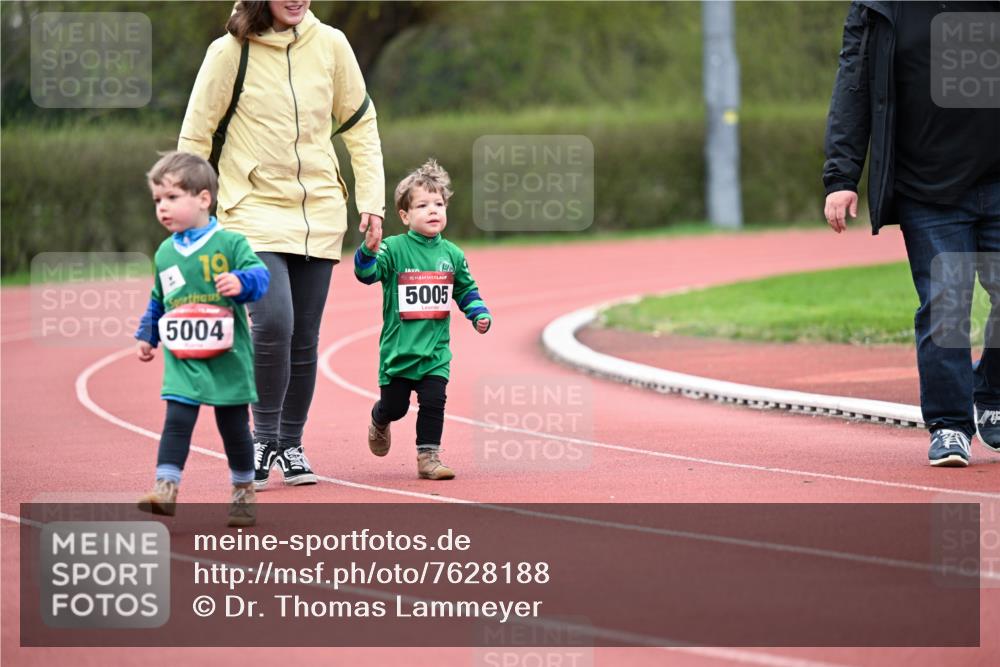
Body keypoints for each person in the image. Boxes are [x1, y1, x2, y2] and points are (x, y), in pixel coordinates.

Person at [177, 0, 386, 489]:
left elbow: (360, 125)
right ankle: (262, 436)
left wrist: (370, 200)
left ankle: (291, 444)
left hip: (319, 211)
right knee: (274, 320)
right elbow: (196, 134)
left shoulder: (332, 44)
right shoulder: (230, 51)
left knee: (305, 337)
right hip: (250, 209)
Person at [823, 1, 1000, 466]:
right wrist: (841, 177)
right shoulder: (880, 8)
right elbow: (854, 88)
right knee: (947, 302)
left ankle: (993, 393)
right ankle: (950, 425)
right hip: (927, 186)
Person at [134, 151, 271, 526]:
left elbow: (261, 277)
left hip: (227, 357)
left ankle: (243, 489)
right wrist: (148, 333)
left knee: (233, 426)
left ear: (203, 199)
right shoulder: (164, 253)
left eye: (172, 198)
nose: (162, 207)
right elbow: (159, 298)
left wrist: (241, 282)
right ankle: (166, 487)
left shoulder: (230, 244)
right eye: (158, 200)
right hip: (184, 358)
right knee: (177, 419)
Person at [354, 159, 492, 479]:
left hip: (435, 353)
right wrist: (368, 251)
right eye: (423, 205)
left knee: (434, 400)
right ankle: (379, 418)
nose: (433, 210)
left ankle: (428, 457)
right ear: (404, 216)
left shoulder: (453, 255)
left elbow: (466, 290)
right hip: (399, 352)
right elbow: (367, 275)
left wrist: (478, 313)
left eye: (439, 204)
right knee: (396, 408)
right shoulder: (393, 249)